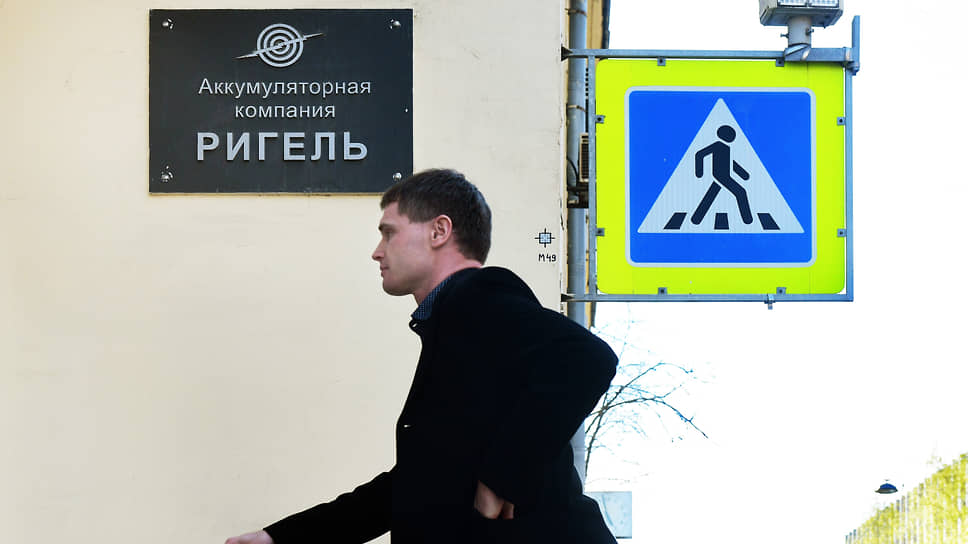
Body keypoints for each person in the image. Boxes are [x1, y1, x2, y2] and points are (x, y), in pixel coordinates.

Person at [225, 168, 618, 544]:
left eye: (389, 233)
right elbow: (413, 485)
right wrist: (282, 537)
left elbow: (586, 358)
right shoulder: (454, 326)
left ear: (439, 231)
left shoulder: (479, 298)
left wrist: (501, 479)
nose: (377, 252)